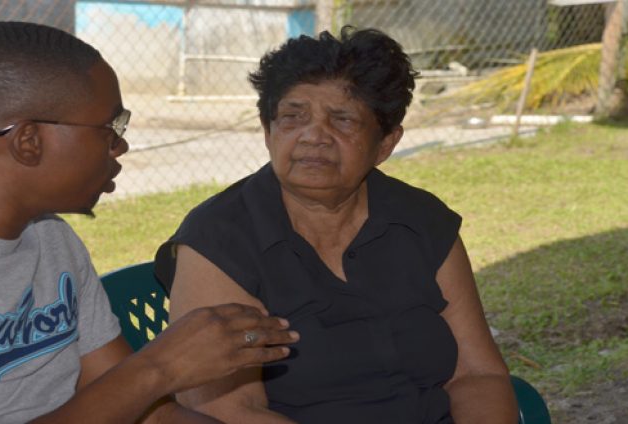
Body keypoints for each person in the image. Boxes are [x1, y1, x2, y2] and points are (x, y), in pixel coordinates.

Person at [0, 21, 299, 423]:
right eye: (111, 128)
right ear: (29, 141)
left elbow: (148, 414)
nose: (121, 148)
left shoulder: (51, 239)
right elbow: (136, 388)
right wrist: (159, 367)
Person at [154, 27, 519, 423]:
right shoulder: (220, 239)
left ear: (385, 144)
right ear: (268, 132)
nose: (314, 137)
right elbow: (230, 411)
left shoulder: (421, 220)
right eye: (293, 117)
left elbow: (477, 374)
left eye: (342, 120)